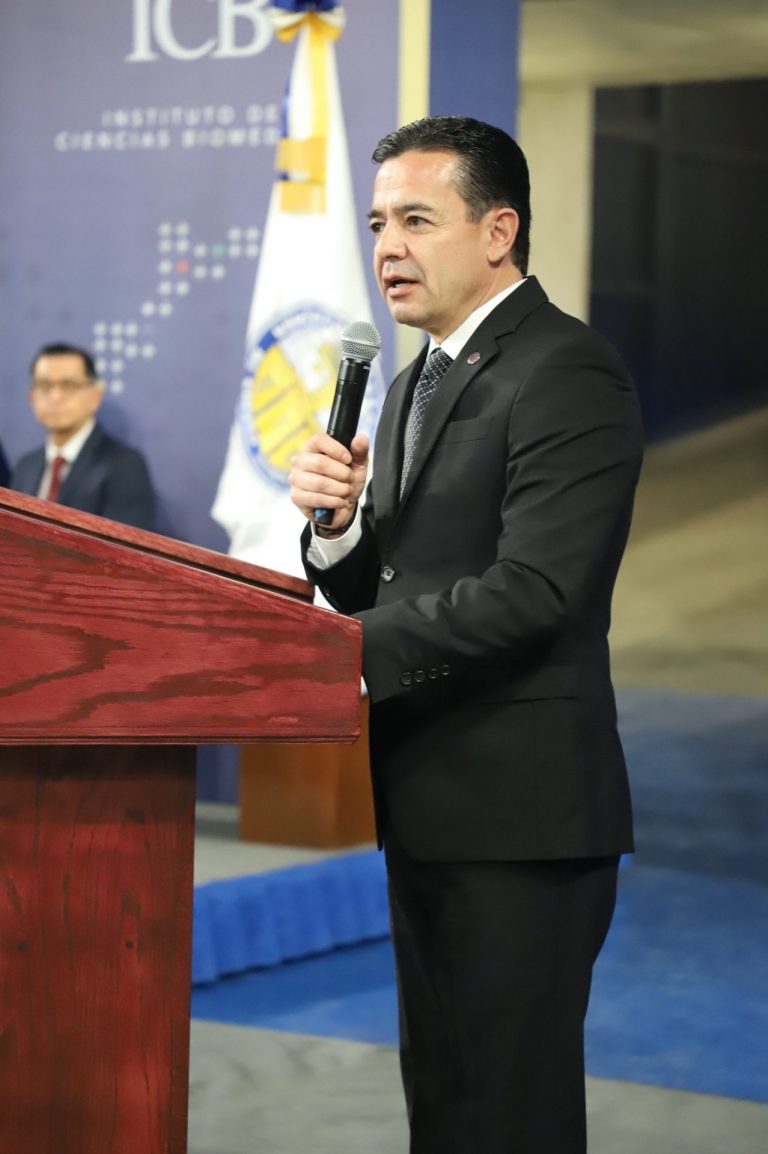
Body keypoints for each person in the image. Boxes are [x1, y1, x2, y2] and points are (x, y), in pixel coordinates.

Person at [289, 116, 643, 1154]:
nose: (388, 247)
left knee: (509, 1110)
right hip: (430, 804)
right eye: (376, 224)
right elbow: (391, 584)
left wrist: (347, 657)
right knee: (445, 1098)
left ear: (498, 231)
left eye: (416, 220)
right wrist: (337, 528)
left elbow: (539, 589)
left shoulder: (567, 367)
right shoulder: (414, 382)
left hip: (523, 819)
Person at [10, 342, 156, 531]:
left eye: (68, 385)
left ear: (95, 396)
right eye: (45, 386)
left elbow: (125, 545)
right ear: (32, 397)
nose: (55, 397)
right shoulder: (26, 467)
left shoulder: (124, 466)